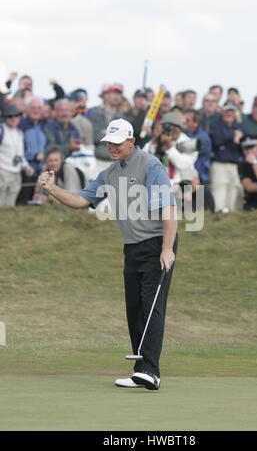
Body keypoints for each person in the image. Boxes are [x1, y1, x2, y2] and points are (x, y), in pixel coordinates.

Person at [39, 118, 177, 391]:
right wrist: (51, 189)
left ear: (130, 141)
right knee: (134, 309)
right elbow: (81, 200)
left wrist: (167, 248)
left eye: (117, 143)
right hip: (133, 247)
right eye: (109, 143)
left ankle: (151, 371)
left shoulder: (151, 165)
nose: (112, 147)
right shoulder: (110, 173)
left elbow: (169, 210)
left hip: (157, 243)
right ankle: (141, 370)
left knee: (151, 307)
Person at [209, 101, 244, 212]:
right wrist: (233, 136)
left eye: (232, 111)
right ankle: (218, 214)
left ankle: (232, 216)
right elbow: (217, 140)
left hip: (235, 164)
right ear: (222, 111)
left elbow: (243, 146)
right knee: (219, 189)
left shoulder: (239, 127)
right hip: (219, 163)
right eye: (227, 110)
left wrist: (239, 139)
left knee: (234, 189)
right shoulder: (215, 125)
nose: (229, 113)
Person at [0, 105, 34, 206]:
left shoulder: (19, 133)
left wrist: (26, 167)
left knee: (10, 204)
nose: (13, 118)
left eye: (16, 116)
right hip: (2, 171)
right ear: (5, 117)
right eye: (10, 116)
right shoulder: (1, 130)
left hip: (16, 173)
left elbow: (19, 155)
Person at [17, 97, 47, 205]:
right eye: (33, 108)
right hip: (26, 168)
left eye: (38, 108)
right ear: (27, 109)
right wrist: (33, 158)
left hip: (42, 168)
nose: (36, 111)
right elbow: (18, 149)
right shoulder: (21, 125)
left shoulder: (44, 126)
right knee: (24, 202)